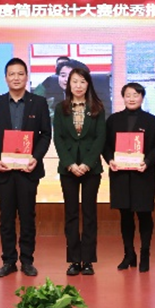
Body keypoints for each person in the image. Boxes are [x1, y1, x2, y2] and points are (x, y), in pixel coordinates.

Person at [0, 58, 52, 278]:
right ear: (5, 78)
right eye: (12, 74)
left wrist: (36, 158)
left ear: (26, 77)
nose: (16, 78)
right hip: (3, 170)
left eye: (20, 74)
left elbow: (45, 135)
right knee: (6, 218)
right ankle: (9, 261)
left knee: (27, 216)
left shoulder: (38, 103)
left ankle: (27, 261)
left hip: (28, 170)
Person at [103, 83, 155, 272]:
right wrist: (110, 159)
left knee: (144, 214)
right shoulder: (113, 120)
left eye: (135, 95)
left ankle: (145, 254)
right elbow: (105, 144)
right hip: (120, 174)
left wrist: (148, 161)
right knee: (125, 215)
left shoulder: (151, 120)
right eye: (128, 95)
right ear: (123, 97)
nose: (131, 98)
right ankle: (129, 254)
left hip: (143, 174)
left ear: (142, 97)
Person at [53, 67, 106, 276]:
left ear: (88, 84)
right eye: (74, 81)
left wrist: (87, 163)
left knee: (90, 214)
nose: (78, 85)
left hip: (90, 169)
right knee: (71, 214)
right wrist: (70, 163)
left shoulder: (97, 107)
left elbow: (100, 137)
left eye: (82, 82)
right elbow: (58, 138)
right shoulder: (61, 108)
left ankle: (88, 260)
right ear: (69, 84)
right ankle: (74, 260)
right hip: (68, 169)